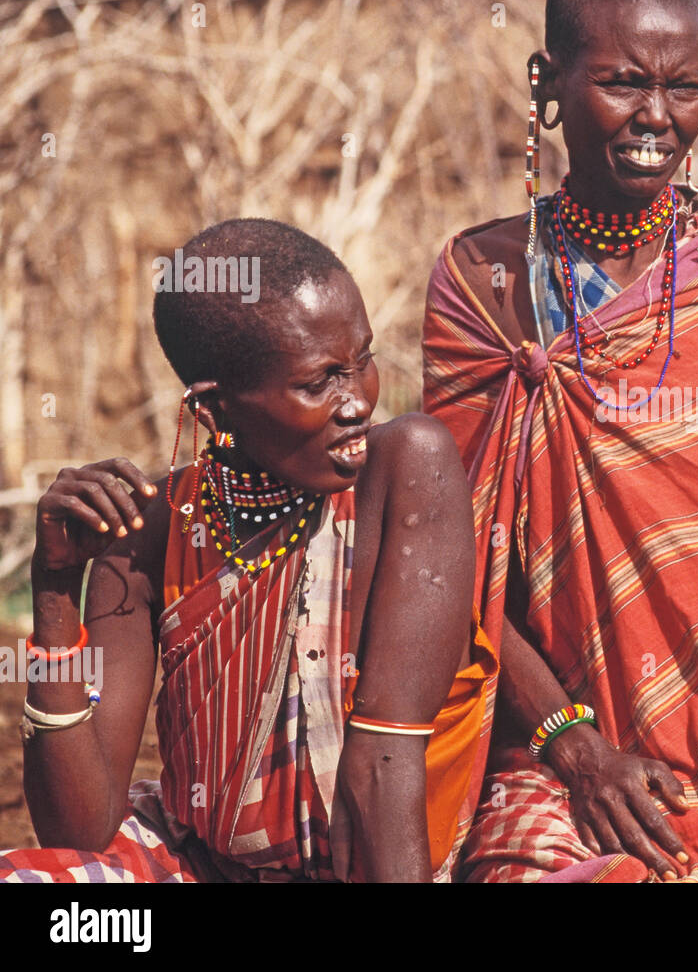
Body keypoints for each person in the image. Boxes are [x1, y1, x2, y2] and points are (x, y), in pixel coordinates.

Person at [422, 0, 698, 882]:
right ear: (549, 82)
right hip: (565, 739)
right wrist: (577, 748)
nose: (658, 117)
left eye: (684, 87)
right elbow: (453, 570)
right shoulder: (482, 290)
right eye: (620, 82)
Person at [0, 218, 494, 882]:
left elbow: (383, 765)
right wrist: (56, 589)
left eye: (362, 362)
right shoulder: (152, 530)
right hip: (210, 866)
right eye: (319, 383)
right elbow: (79, 830)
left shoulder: (406, 467)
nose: (357, 404)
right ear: (215, 410)